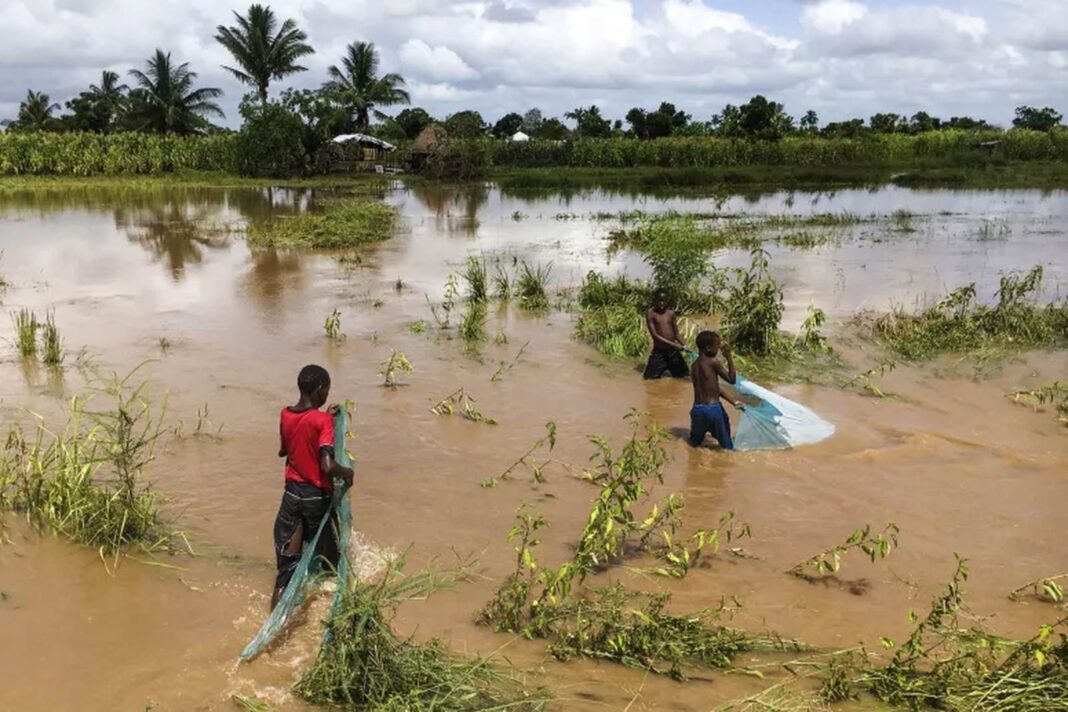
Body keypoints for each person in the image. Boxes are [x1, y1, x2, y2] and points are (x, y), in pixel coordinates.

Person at [271, 364, 354, 609]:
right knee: (331, 564)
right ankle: (329, 611)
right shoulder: (323, 422)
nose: (327, 394)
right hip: (315, 499)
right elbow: (327, 466)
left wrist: (320, 418)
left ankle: (275, 621)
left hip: (291, 496)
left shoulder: (285, 414)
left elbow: (284, 451)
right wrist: (348, 472)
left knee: (285, 573)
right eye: (326, 390)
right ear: (319, 390)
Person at [689, 330, 745, 449]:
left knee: (694, 445)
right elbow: (732, 379)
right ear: (708, 348)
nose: (719, 349)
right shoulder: (713, 362)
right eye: (717, 346)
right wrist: (729, 357)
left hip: (697, 410)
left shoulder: (694, 366)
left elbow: (713, 388)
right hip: (713, 410)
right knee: (727, 448)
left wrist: (733, 401)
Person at [644, 288, 690, 379]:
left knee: (684, 376)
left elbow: (676, 334)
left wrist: (684, 345)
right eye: (659, 301)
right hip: (659, 352)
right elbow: (655, 335)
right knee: (649, 379)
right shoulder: (651, 313)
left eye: (664, 301)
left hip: (673, 352)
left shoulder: (671, 313)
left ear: (667, 301)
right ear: (655, 300)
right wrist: (674, 345)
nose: (661, 303)